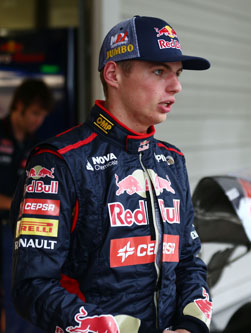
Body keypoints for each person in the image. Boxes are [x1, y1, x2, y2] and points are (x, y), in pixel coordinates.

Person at [10, 16, 212, 333]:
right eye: (159, 71)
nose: (176, 86)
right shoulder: (57, 162)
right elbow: (32, 286)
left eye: (177, 74)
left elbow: (188, 260)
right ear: (113, 74)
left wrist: (192, 325)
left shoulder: (172, 161)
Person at [1, 78, 53, 333]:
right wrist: (15, 205)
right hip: (4, 228)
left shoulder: (37, 146)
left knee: (31, 290)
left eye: (42, 115)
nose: (38, 120)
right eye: (34, 113)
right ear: (18, 106)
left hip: (24, 229)